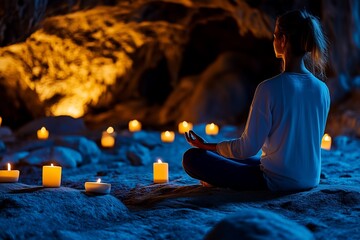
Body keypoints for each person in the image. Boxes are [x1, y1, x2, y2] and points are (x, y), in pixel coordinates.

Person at [182, 10, 330, 192]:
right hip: (309, 179)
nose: (274, 40)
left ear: (283, 40)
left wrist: (205, 146)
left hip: (275, 181)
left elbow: (247, 148)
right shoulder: (322, 89)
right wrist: (215, 149)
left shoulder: (269, 88)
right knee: (228, 157)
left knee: (192, 158)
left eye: (275, 35)